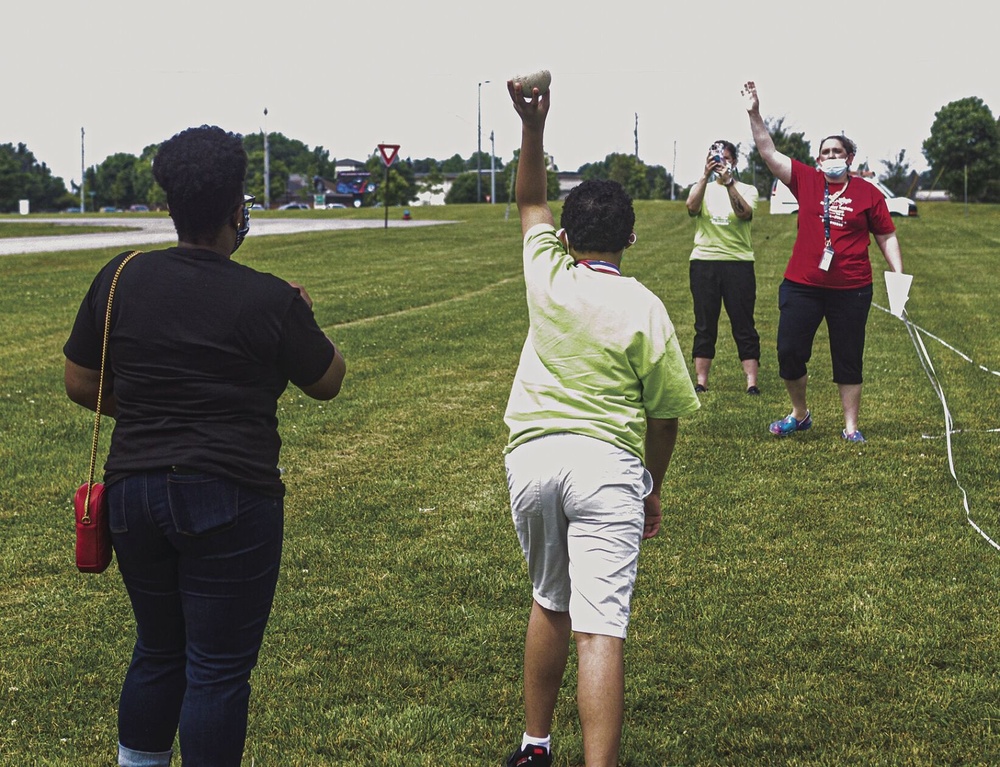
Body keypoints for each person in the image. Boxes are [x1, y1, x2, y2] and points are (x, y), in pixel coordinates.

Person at [64, 125, 346, 767]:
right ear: (236, 206)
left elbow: (79, 381)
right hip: (230, 494)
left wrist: (149, 406)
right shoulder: (268, 297)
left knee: (158, 650)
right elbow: (328, 380)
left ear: (170, 203)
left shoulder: (120, 276)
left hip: (133, 490)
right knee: (216, 670)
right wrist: (303, 313)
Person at [502, 80, 700, 767]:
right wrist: (651, 486)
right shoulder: (645, 306)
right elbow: (666, 415)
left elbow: (530, 197)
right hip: (606, 469)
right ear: (632, 239)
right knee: (600, 629)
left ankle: (534, 744)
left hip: (531, 462)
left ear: (565, 237)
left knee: (548, 599)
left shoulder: (546, 271)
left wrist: (534, 123)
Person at [742, 81, 904, 443]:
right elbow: (768, 151)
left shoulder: (868, 192)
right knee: (788, 351)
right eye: (825, 152)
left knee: (848, 357)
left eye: (838, 152)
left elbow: (886, 235)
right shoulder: (806, 180)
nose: (832, 157)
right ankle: (800, 414)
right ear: (818, 160)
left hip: (852, 289)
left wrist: (897, 273)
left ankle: (850, 427)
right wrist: (754, 113)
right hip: (803, 286)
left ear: (850, 158)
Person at [685, 139, 761, 395]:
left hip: (738, 262)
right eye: (715, 158)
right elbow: (691, 207)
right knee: (705, 323)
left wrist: (729, 183)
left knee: (743, 323)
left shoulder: (747, 189)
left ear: (734, 162)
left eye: (725, 158)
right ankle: (701, 381)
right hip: (704, 262)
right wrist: (705, 176)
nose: (720, 163)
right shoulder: (702, 187)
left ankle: (751, 382)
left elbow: (744, 213)